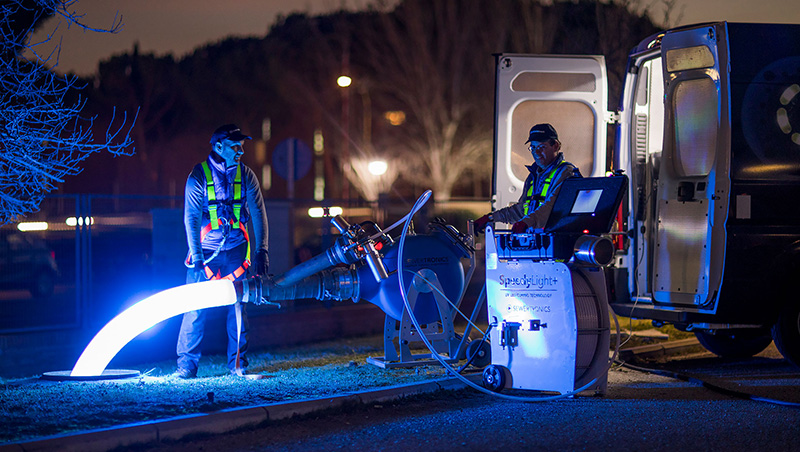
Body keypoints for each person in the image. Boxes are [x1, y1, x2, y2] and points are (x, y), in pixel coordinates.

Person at [175, 124, 269, 379]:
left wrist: (261, 251)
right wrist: (196, 258)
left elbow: (259, 213)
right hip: (206, 253)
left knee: (238, 308)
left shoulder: (247, 175)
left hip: (237, 252)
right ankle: (186, 366)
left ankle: (238, 364)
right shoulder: (198, 177)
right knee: (194, 309)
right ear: (218, 147)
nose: (241, 151)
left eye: (242, 146)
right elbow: (191, 219)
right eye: (235, 147)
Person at [474, 123, 581, 233]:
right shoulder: (533, 176)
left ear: (556, 146)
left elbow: (551, 207)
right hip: (539, 242)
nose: (537, 153)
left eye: (542, 147)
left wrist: (525, 223)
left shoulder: (566, 172)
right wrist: (491, 218)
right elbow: (521, 210)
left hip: (558, 242)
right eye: (533, 147)